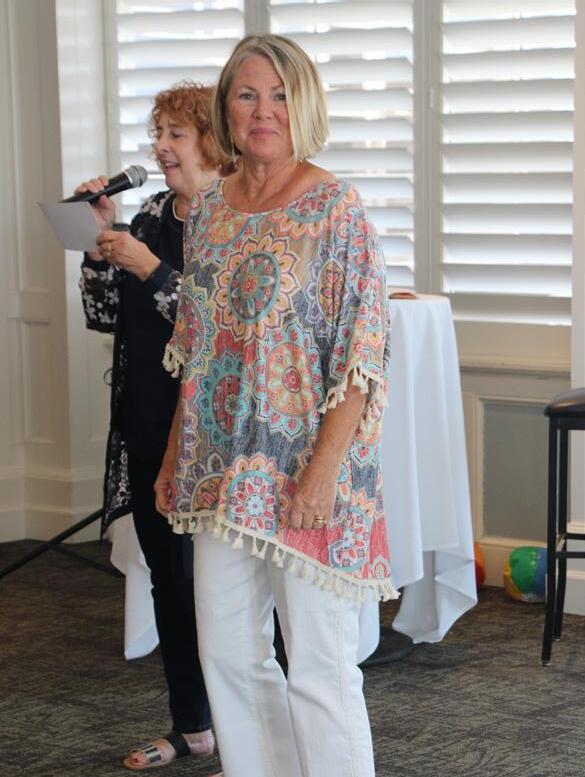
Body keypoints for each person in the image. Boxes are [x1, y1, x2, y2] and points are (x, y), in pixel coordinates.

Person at [155, 36, 396, 777]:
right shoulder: (208, 213)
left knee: (320, 666)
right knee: (228, 654)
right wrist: (174, 455)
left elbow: (362, 354)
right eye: (247, 94)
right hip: (221, 471)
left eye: (281, 95)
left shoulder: (334, 209)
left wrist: (322, 472)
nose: (265, 111)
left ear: (305, 104)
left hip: (309, 471)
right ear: (226, 109)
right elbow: (195, 347)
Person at [77, 81, 232, 771]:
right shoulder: (147, 218)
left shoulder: (235, 219)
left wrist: (154, 271)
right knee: (168, 582)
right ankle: (192, 725)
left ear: (210, 140)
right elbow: (104, 315)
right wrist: (97, 245)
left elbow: (223, 329)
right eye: (157, 134)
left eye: (175, 134)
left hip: (210, 436)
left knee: (226, 592)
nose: (161, 147)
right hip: (144, 424)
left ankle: (255, 731)